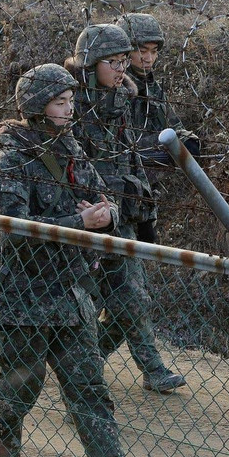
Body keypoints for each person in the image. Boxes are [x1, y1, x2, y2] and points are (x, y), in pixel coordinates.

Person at [0, 63, 170, 457]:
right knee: (18, 392)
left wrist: (106, 215)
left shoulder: (70, 148)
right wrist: (78, 221)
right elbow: (14, 229)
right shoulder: (11, 160)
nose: (69, 109)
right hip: (26, 298)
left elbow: (105, 199)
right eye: (59, 102)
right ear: (36, 107)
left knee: (89, 390)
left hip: (72, 295)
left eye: (70, 101)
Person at [65, 24, 186, 394]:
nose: (122, 69)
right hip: (84, 217)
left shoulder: (121, 100)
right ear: (91, 64)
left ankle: (140, 368)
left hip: (122, 213)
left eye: (123, 61)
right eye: (113, 62)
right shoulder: (70, 105)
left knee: (133, 297)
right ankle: (86, 369)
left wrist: (144, 212)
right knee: (92, 301)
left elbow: (130, 158)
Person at [117, 12, 200, 247]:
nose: (149, 58)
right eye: (142, 51)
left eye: (154, 51)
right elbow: (123, 144)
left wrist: (183, 140)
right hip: (122, 188)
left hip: (145, 189)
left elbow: (170, 124)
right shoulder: (117, 88)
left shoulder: (150, 85)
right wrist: (169, 146)